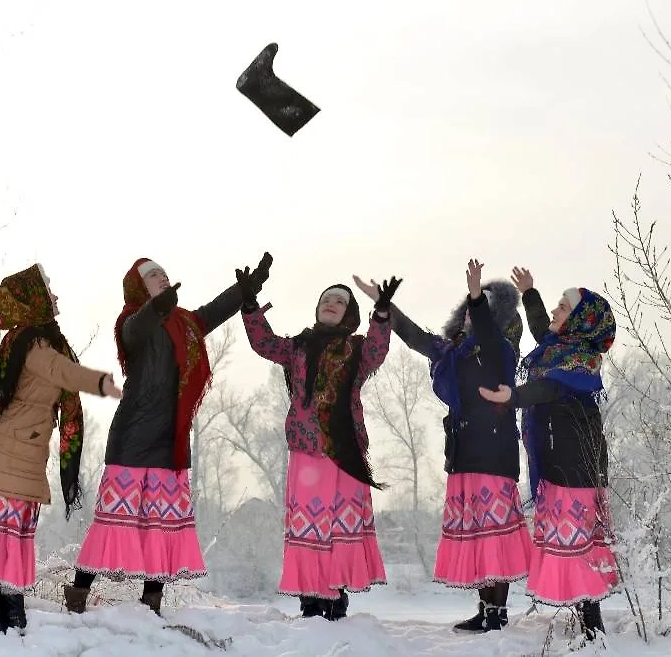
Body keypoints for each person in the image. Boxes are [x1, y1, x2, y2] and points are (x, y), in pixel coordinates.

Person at [65, 253, 272, 616]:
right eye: (153, 276)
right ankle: (79, 593)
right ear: (138, 286)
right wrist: (156, 308)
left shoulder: (184, 323)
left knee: (161, 523)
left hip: (170, 439)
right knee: (112, 519)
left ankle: (152, 601)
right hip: (132, 438)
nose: (161, 277)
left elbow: (210, 312)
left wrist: (245, 289)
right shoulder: (131, 320)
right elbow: (136, 330)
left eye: (163, 273)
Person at [0, 263, 122, 635]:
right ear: (32, 297)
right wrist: (101, 382)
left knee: (5, 540)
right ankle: (3, 630)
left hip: (14, 447)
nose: (55, 294)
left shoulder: (37, 339)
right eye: (48, 288)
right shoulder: (35, 344)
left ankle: (5, 631)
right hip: (7, 451)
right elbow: (64, 373)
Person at [354, 260, 530, 633]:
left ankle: (498, 614)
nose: (469, 313)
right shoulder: (453, 351)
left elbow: (487, 331)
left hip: (493, 453)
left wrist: (477, 294)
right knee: (477, 535)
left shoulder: (499, 351)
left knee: (494, 535)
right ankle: (485, 609)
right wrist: (384, 306)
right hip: (463, 452)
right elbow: (416, 337)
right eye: (466, 308)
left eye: (478, 308)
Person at [239, 270, 401, 620]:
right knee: (309, 526)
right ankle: (310, 601)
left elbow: (377, 349)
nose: (331, 304)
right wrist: (251, 306)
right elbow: (263, 342)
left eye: (340, 301)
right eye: (327, 299)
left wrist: (383, 315)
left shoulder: (357, 349)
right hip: (306, 451)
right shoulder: (298, 346)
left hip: (343, 451)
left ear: (349, 313)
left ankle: (334, 598)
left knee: (336, 526)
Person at [478, 266, 617, 641]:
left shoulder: (580, 362)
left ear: (582, 322)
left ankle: (593, 628)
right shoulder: (558, 348)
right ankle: (588, 624)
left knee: (579, 543)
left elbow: (549, 390)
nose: (554, 313)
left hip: (576, 469)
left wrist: (515, 396)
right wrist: (530, 293)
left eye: (562, 308)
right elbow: (541, 328)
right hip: (558, 463)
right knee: (568, 539)